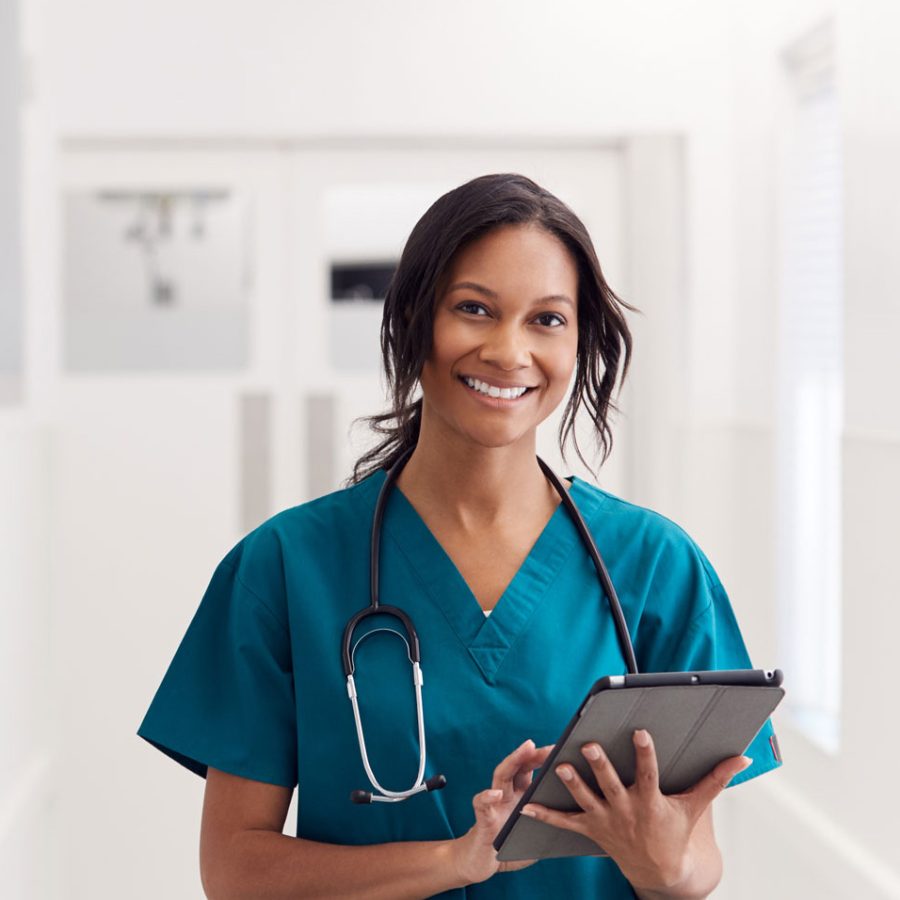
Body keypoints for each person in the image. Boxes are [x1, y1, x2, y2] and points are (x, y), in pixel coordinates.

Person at [137, 172, 782, 899]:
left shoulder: (657, 569)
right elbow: (234, 873)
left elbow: (695, 865)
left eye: (547, 320)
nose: (509, 352)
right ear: (414, 318)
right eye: (475, 309)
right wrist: (456, 859)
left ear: (579, 343)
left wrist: (665, 864)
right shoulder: (285, 569)